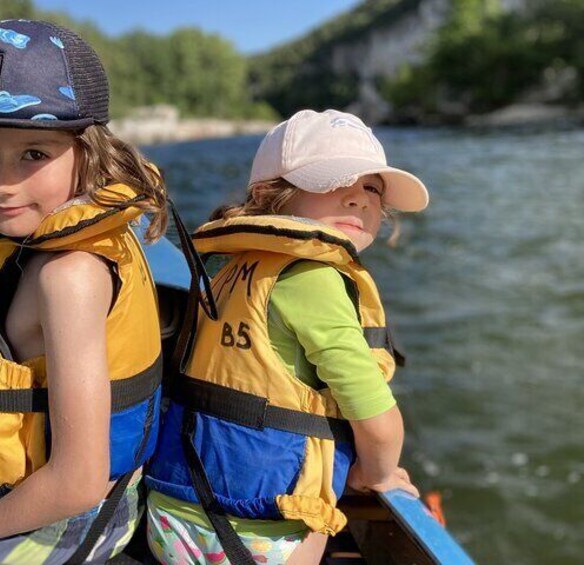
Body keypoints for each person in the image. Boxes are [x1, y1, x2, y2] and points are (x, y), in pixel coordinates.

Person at [0, 19, 168, 564]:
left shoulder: (71, 277)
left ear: (89, 151)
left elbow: (78, 482)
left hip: (58, 530)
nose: (0, 184)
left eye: (33, 154)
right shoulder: (85, 230)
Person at [145, 109, 428, 564]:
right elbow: (378, 421)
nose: (359, 199)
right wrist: (373, 476)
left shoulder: (217, 261)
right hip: (265, 535)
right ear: (268, 194)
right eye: (337, 181)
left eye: (372, 188)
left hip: (169, 514)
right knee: (323, 522)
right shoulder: (311, 276)